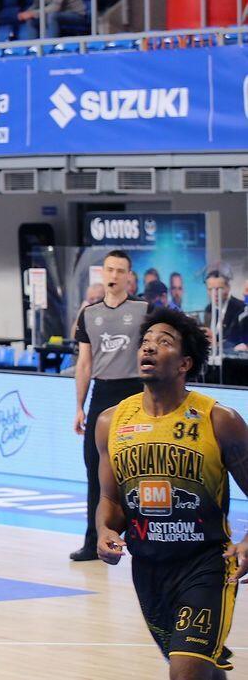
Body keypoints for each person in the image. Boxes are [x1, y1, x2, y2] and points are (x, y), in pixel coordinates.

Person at [96, 307, 248, 678]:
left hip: (206, 564)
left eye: (163, 342)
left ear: (184, 364)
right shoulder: (111, 422)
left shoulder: (219, 420)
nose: (148, 348)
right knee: (197, 666)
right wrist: (104, 530)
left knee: (185, 670)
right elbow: (111, 500)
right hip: (147, 568)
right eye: (145, 342)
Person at [70, 249, 149, 562]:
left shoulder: (144, 310)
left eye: (120, 271)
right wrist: (79, 406)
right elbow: (84, 364)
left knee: (138, 468)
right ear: (102, 273)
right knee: (95, 468)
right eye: (110, 270)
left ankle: (143, 540)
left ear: (129, 276)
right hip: (101, 393)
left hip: (135, 392)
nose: (114, 275)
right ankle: (94, 542)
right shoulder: (89, 314)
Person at [202, 269, 247, 352]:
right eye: (210, 289)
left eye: (219, 289)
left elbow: (236, 340)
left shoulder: (240, 308)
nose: (215, 293)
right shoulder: (208, 309)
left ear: (228, 288)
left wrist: (216, 343)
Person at [17, 0, 88, 38]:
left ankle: (50, 46)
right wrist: (27, 13)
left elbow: (56, 7)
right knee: (32, 19)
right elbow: (36, 5)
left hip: (77, 15)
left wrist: (32, 13)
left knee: (52, 16)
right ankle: (32, 48)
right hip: (55, 14)